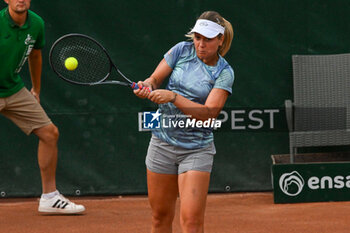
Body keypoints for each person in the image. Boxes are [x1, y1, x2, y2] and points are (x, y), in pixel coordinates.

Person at [134, 11, 234, 233]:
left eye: (208, 39)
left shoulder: (224, 73)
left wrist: (173, 97)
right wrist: (147, 86)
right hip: (161, 143)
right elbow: (155, 79)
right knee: (160, 217)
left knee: (191, 222)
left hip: (196, 150)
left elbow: (209, 114)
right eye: (197, 37)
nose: (200, 44)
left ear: (220, 40)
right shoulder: (181, 50)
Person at [0, 0, 85, 214]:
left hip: (13, 89)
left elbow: (35, 55)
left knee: (49, 133)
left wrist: (36, 89)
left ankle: (49, 197)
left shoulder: (37, 23)